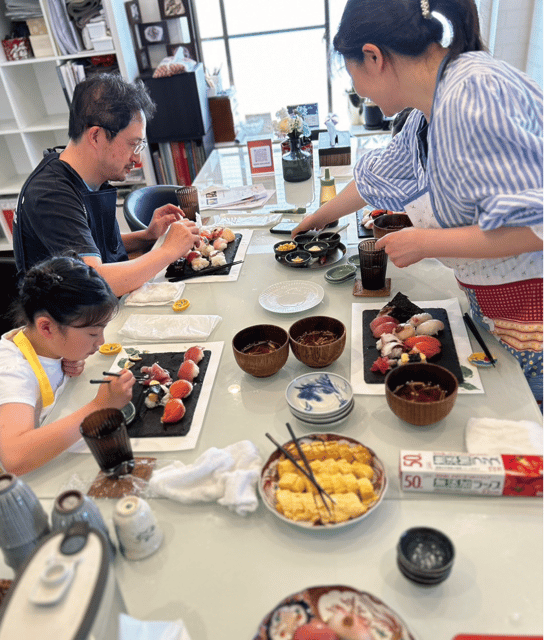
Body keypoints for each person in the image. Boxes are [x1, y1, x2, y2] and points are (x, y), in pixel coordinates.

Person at [293, 0, 543, 407]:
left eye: (352, 74)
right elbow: (379, 178)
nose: (358, 92)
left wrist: (426, 243)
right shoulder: (432, 107)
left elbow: (536, 225)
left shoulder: (472, 93)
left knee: (526, 436)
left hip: (534, 314)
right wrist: (317, 218)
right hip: (498, 305)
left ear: (373, 57)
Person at [13, 73, 201, 297]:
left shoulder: (90, 173)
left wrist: (147, 236)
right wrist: (168, 250)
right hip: (69, 320)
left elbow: (91, 246)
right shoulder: (50, 194)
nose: (137, 159)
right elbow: (95, 282)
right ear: (96, 136)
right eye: (133, 144)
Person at [0, 254, 135, 475]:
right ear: (46, 328)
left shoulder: (46, 343)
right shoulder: (13, 371)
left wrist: (66, 359)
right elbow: (15, 458)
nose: (101, 342)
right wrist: (98, 407)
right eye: (93, 333)